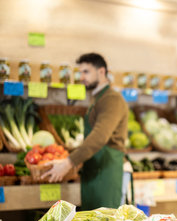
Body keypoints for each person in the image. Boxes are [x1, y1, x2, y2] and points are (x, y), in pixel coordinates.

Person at [42, 53, 129, 210]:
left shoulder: (111, 99)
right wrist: (66, 161)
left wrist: (68, 163)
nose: (81, 77)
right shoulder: (97, 99)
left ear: (101, 72)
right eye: (80, 72)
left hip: (107, 171)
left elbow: (99, 137)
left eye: (86, 72)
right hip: (94, 171)